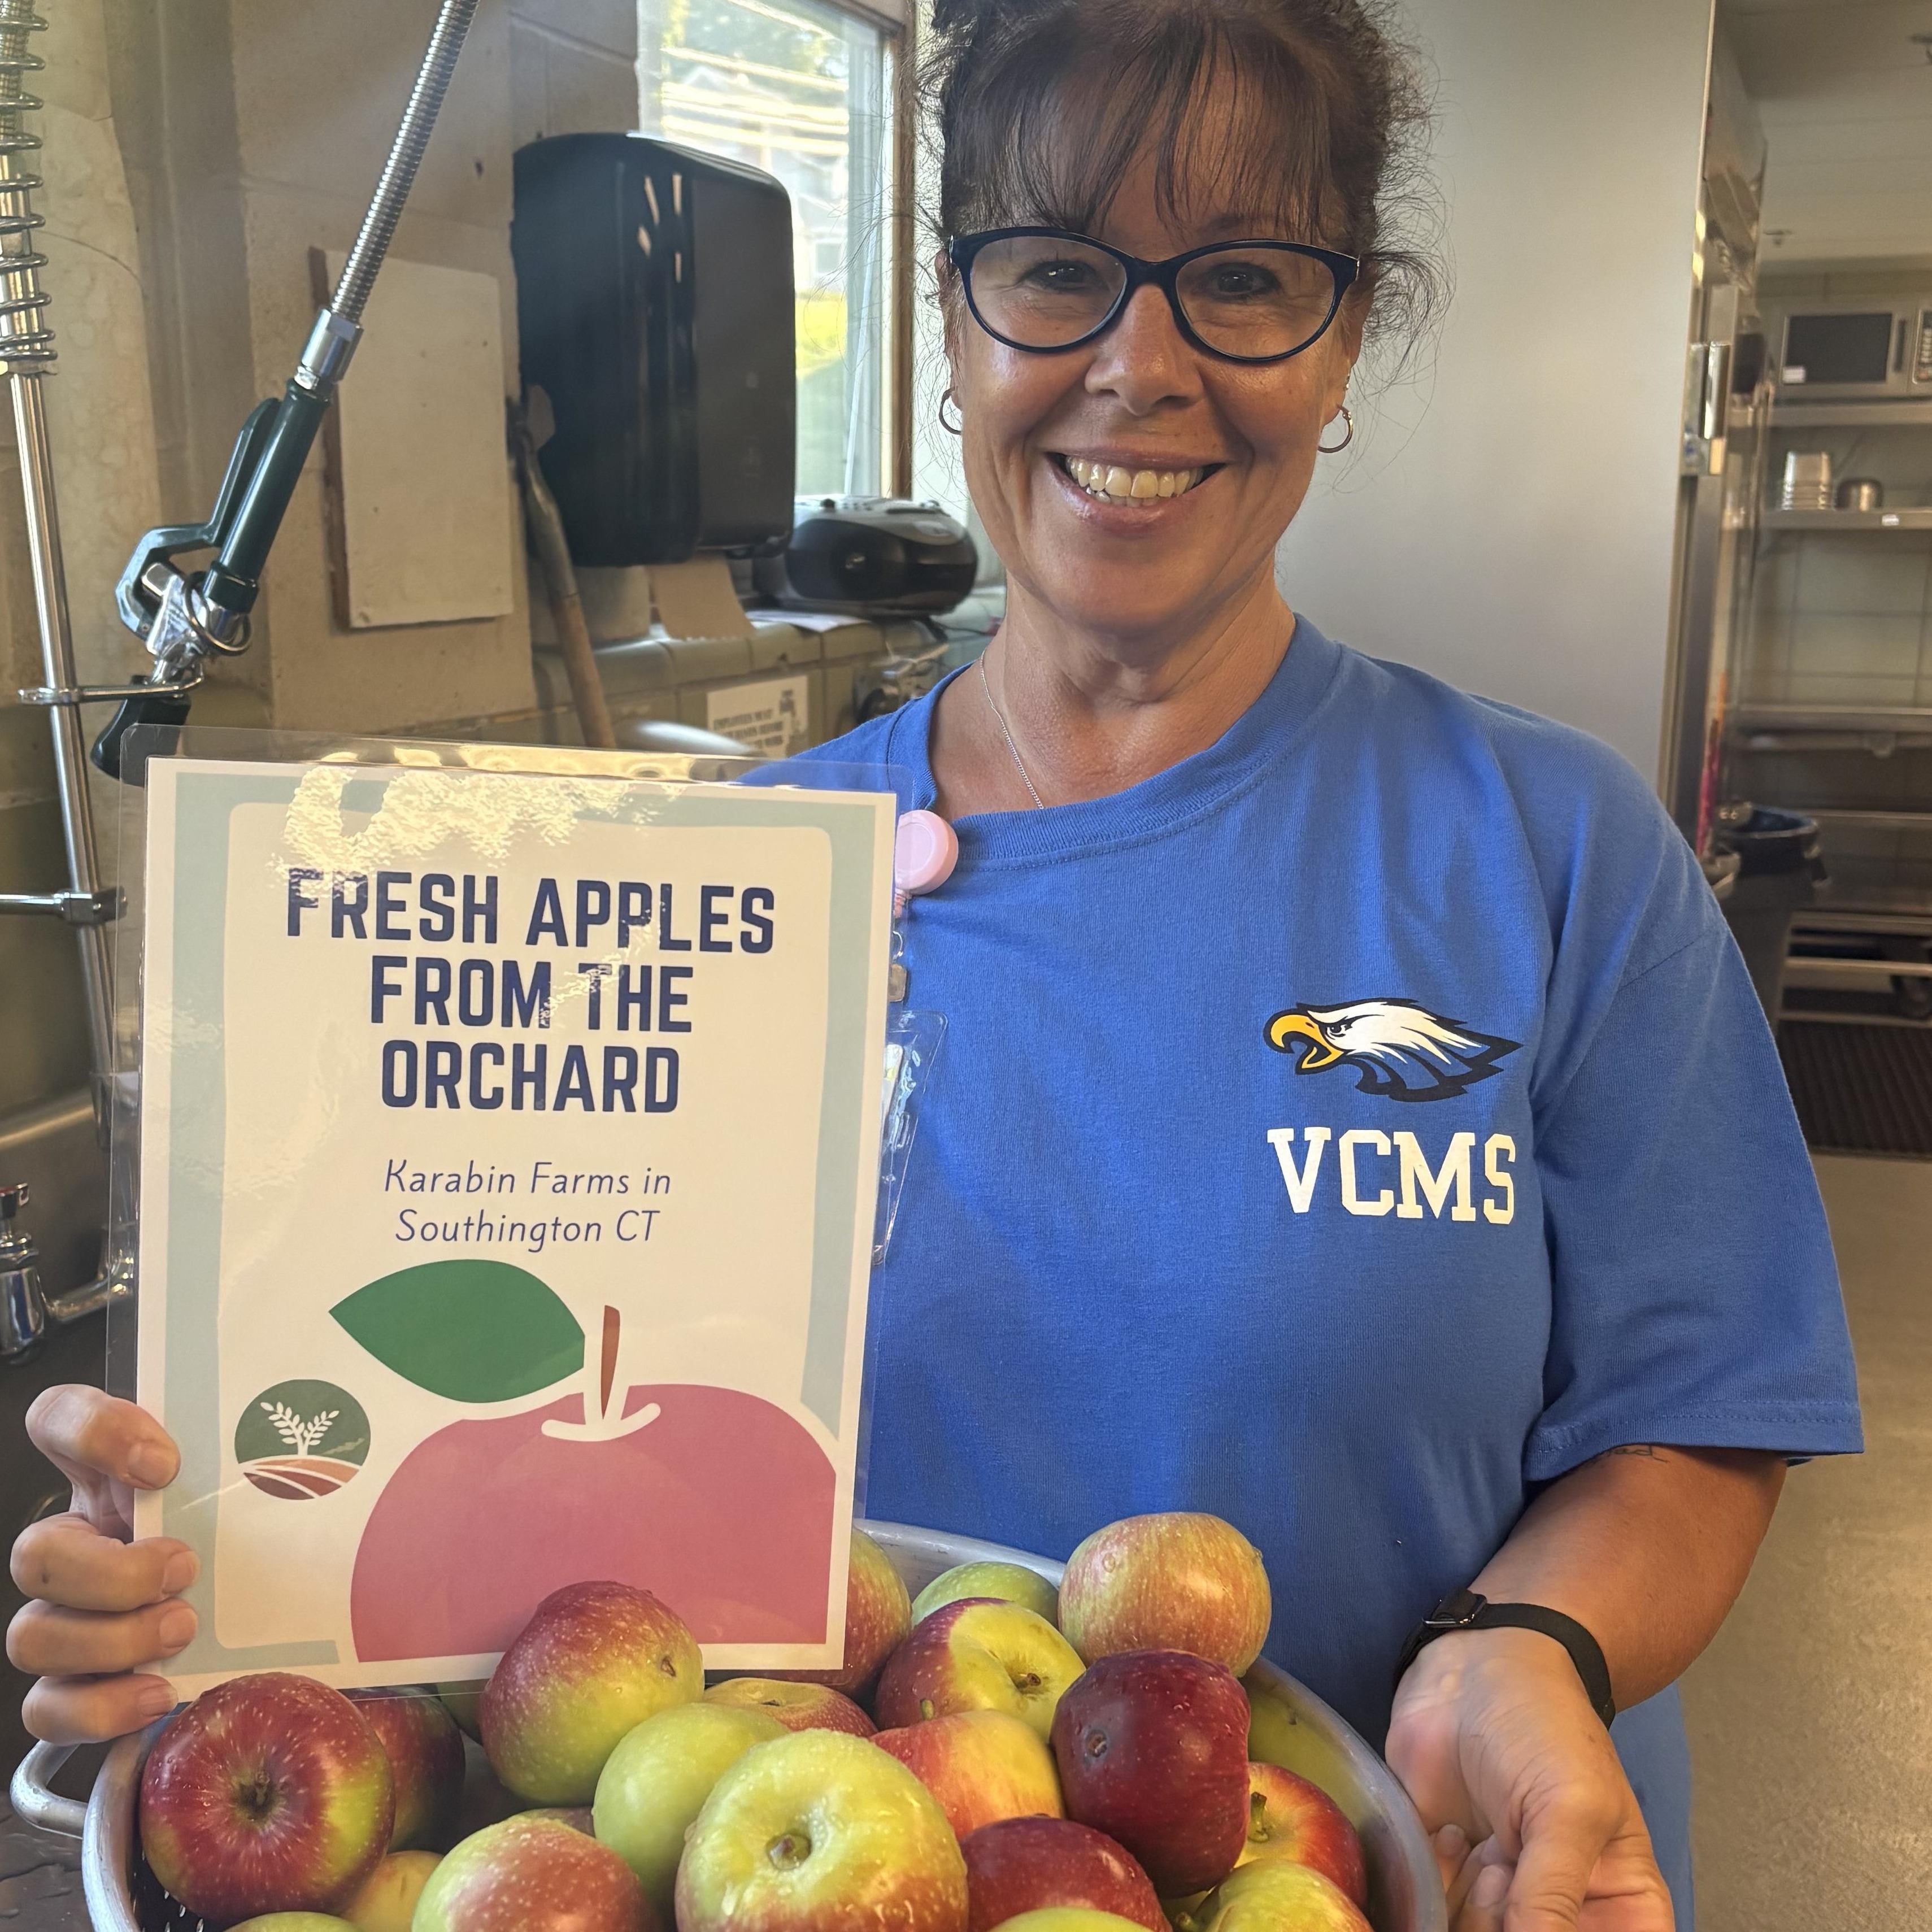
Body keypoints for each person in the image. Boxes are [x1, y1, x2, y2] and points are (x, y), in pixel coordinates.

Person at [9, 3, 1859, 1927]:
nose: (1138, 364)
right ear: (953, 321)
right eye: (1053, 269)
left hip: (1386, 1873)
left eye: (1241, 278)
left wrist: (1525, 1645)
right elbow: (524, 1488)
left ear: (1343, 341)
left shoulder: (1546, 853)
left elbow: (1697, 1403)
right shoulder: (713, 903)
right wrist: (231, 1554)